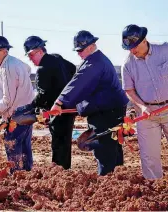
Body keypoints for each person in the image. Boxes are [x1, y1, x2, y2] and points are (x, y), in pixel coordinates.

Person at [50, 30, 129, 176]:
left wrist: (60, 102)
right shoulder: (97, 60)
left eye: (81, 50)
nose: (79, 53)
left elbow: (78, 83)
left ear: (92, 45)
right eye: (77, 50)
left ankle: (107, 181)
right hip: (111, 109)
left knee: (104, 146)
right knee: (113, 145)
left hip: (106, 111)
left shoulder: (94, 62)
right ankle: (117, 181)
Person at [121, 24, 168, 179]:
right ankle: (155, 188)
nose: (132, 51)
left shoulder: (165, 51)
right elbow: (129, 90)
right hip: (147, 115)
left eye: (134, 46)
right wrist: (142, 106)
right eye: (129, 48)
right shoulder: (127, 65)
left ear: (144, 40)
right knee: (149, 157)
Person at [23, 36, 76, 169]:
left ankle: (58, 171)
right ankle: (64, 170)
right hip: (68, 108)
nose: (30, 59)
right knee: (65, 141)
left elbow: (42, 94)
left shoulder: (42, 68)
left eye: (31, 55)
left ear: (40, 51)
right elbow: (73, 69)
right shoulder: (57, 57)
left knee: (58, 142)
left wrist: (31, 106)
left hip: (56, 110)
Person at [0, 36, 35, 172]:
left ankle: (16, 180)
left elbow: (7, 99)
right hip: (28, 111)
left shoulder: (7, 67)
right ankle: (28, 178)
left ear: (4, 51)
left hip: (17, 115)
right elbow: (27, 69)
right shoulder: (17, 63)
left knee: (12, 146)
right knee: (25, 149)